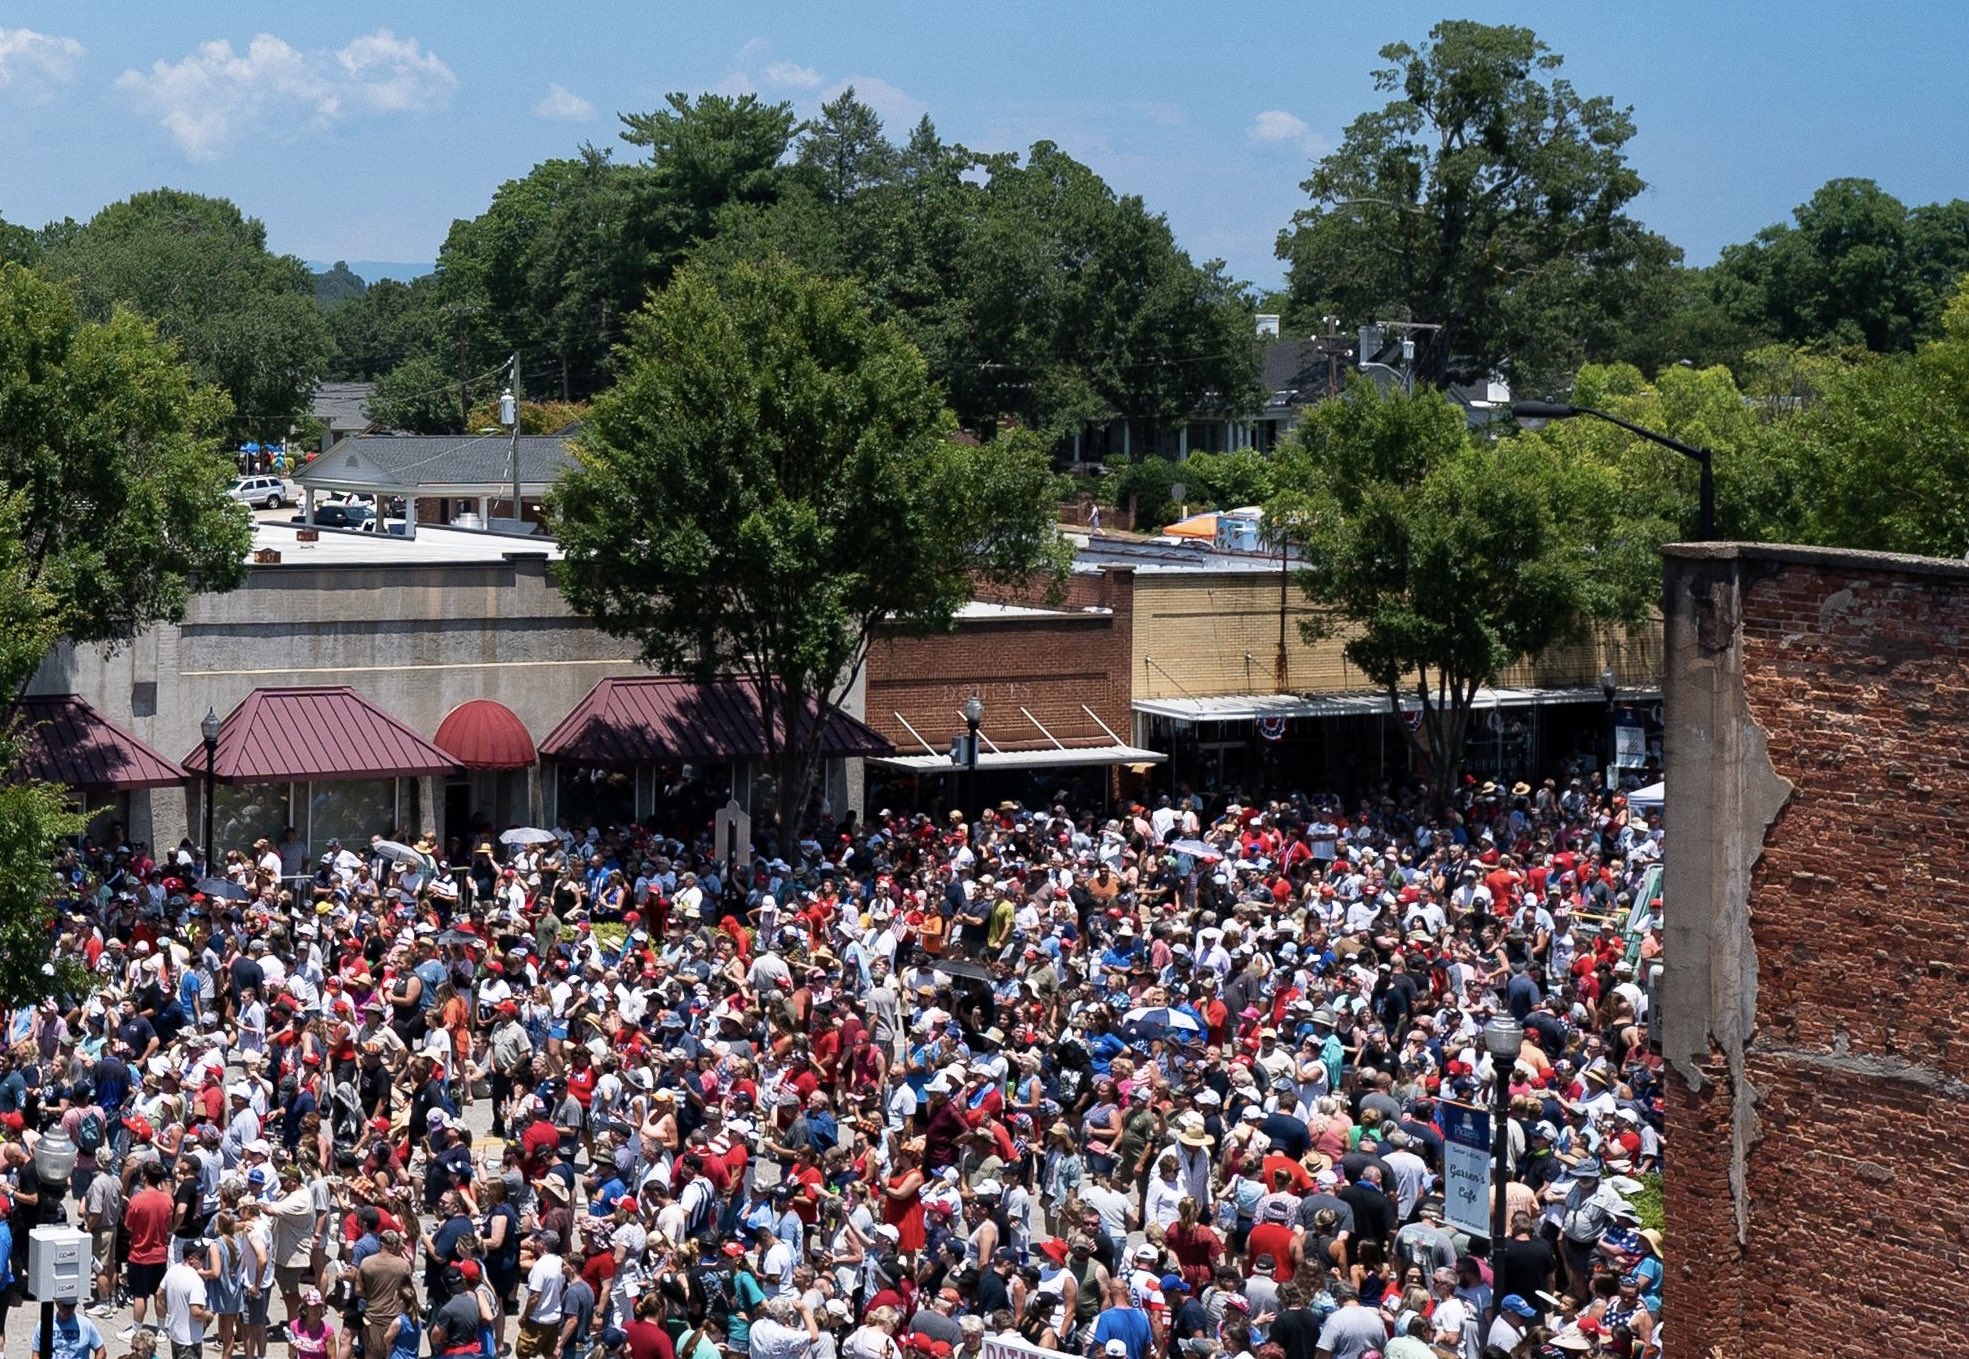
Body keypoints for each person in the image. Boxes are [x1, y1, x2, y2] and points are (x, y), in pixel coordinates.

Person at [161, 1252, 215, 1359]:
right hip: (190, 1341)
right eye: (202, 1258)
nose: (205, 1262)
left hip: (175, 1334)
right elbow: (195, 1312)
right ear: (191, 1259)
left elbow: (159, 1293)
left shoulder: (173, 1270)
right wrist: (208, 1315)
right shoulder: (196, 1281)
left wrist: (170, 1312)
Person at [32, 1296, 107, 1359]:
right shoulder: (45, 1325)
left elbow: (101, 1351)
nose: (69, 1310)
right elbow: (36, 1354)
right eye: (65, 1306)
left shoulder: (85, 1324)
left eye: (72, 1306)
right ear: (57, 1303)